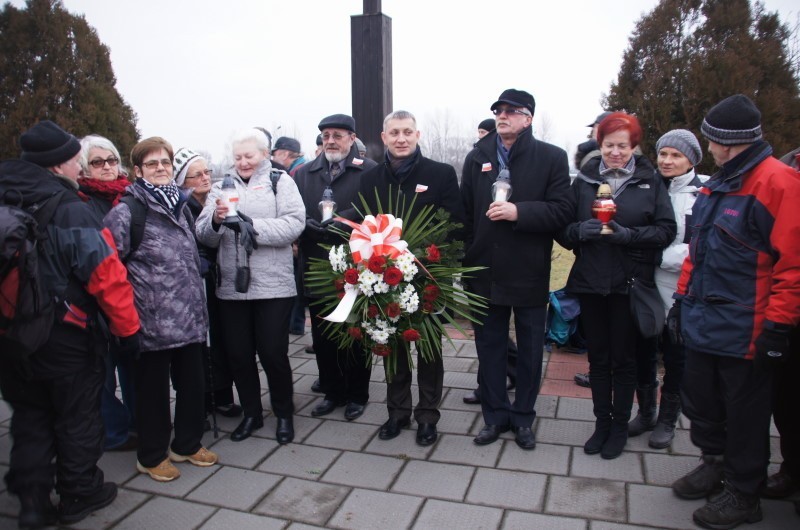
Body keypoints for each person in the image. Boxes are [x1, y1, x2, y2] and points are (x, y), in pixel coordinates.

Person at [669, 94, 800, 528]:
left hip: (747, 327)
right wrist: (681, 303)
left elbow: (793, 265)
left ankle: (744, 493)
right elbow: (697, 251)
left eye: (710, 138)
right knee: (702, 401)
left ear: (727, 141)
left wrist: (779, 327)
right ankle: (716, 463)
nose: (708, 146)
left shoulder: (778, 183)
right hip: (704, 319)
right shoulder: (719, 183)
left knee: (745, 413)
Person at [0, 120, 140, 526]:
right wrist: (127, 329)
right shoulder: (69, 207)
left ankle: (31, 502)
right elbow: (105, 274)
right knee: (76, 415)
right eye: (77, 160)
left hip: (10, 332)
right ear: (60, 164)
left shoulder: (7, 196)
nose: (80, 167)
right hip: (65, 333)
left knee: (29, 417)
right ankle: (80, 492)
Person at [558, 112, 676, 460]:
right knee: (598, 359)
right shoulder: (583, 180)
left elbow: (666, 230)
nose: (615, 152)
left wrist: (629, 236)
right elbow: (562, 228)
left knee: (624, 361)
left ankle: (621, 427)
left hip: (630, 283)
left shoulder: (648, 180)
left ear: (634, 146)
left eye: (622, 146)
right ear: (601, 145)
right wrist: (580, 231)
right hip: (592, 281)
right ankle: (602, 423)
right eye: (609, 145)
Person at [461, 89, 573, 451]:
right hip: (484, 269)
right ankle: (494, 416)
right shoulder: (477, 156)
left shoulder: (551, 158)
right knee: (489, 347)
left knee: (529, 350)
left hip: (527, 268)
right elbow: (464, 214)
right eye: (498, 110)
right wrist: (465, 257)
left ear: (528, 118)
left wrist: (519, 212)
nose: (503, 116)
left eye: (512, 111)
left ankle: (523, 417)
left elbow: (561, 211)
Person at [104, 137, 217, 482]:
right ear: (138, 170)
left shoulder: (178, 206)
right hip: (152, 322)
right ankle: (151, 456)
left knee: (192, 385)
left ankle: (185, 443)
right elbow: (110, 266)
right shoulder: (126, 212)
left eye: (165, 163)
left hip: (189, 318)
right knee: (152, 395)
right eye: (152, 164)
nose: (160, 169)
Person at [357, 110, 464, 446]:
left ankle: (428, 416)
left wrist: (432, 258)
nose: (401, 138)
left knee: (429, 349)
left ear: (417, 135)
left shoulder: (441, 173)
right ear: (383, 136)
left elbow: (455, 224)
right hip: (386, 277)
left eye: (407, 132)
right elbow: (364, 226)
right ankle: (397, 412)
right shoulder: (370, 179)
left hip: (429, 276)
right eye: (394, 133)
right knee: (392, 343)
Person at [195, 128, 305, 444]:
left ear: (264, 155)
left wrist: (249, 225)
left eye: (250, 156)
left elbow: (294, 224)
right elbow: (203, 234)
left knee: (272, 353)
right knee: (239, 356)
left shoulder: (279, 182)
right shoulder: (220, 187)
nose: (244, 162)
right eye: (239, 157)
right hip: (233, 286)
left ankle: (283, 413)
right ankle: (252, 414)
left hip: (273, 285)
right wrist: (216, 221)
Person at [627, 130, 707, 450]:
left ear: (691, 159)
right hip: (647, 285)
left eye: (676, 155)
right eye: (663, 153)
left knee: (677, 356)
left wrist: (660, 255)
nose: (667, 160)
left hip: (684, 289)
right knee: (643, 350)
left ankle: (667, 420)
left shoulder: (705, 192)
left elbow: (700, 245)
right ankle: (646, 411)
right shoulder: (649, 187)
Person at [295, 114, 377, 421]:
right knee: (323, 335)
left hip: (354, 266)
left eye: (338, 135)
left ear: (352, 138)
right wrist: (307, 225)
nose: (331, 140)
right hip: (316, 263)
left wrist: (338, 222)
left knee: (355, 333)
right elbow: (293, 211)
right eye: (326, 135)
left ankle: (357, 394)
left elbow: (374, 210)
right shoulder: (304, 173)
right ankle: (332, 391)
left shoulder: (368, 171)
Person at [75, 134, 139, 453]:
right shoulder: (79, 201)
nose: (107, 168)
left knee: (131, 362)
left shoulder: (129, 195)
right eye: (97, 162)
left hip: (128, 295)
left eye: (112, 160)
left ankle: (138, 421)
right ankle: (114, 430)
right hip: (91, 300)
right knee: (100, 372)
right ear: (84, 167)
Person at [173, 148, 243, 428]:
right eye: (197, 174)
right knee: (198, 346)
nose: (205, 178)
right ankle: (199, 403)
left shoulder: (217, 198)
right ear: (182, 180)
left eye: (207, 172)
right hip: (193, 283)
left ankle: (221, 395)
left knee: (221, 341)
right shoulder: (181, 205)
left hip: (219, 280)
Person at [463, 117, 517, 406]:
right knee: (486, 334)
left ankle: (513, 375)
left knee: (497, 334)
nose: (483, 136)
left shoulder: (529, 156)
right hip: (481, 261)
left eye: (486, 132)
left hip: (516, 264)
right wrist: (468, 251)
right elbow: (467, 209)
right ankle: (489, 390)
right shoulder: (476, 159)